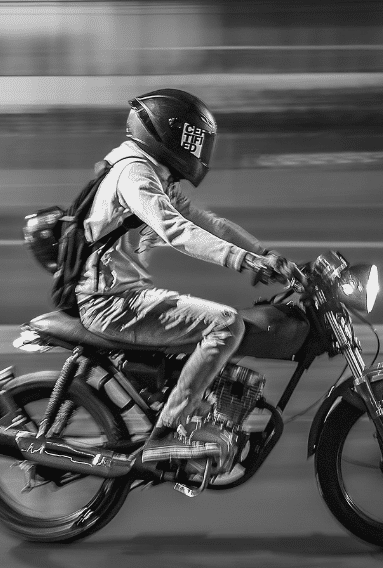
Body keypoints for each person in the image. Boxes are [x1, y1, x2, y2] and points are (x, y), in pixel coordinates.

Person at [76, 88, 294, 467]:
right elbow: (174, 230)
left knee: (215, 324)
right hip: (110, 302)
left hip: (126, 295)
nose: (197, 151)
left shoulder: (152, 173)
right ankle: (168, 431)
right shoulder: (134, 173)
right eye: (193, 139)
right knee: (224, 323)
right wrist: (242, 261)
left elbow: (210, 224)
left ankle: (200, 412)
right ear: (168, 132)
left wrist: (265, 255)